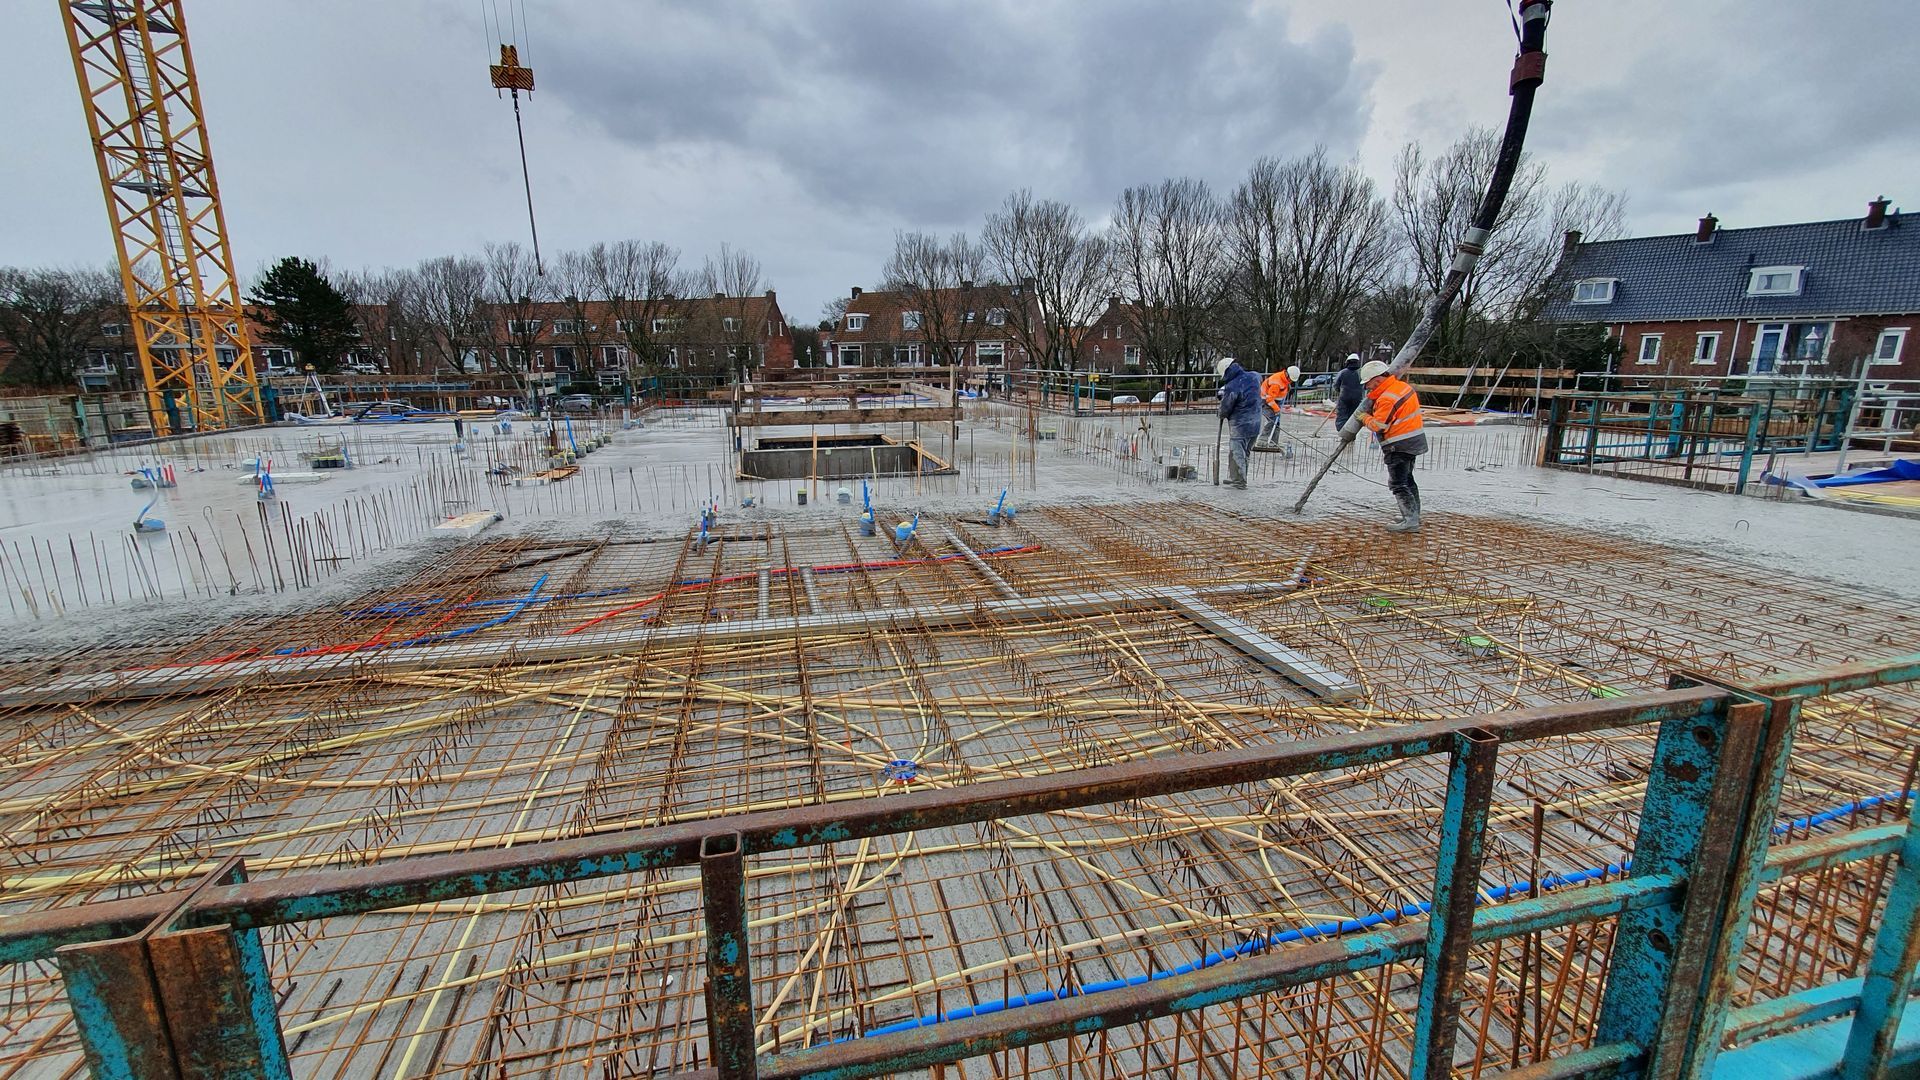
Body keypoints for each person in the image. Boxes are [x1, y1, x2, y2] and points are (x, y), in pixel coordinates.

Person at [1353, 360, 1428, 531]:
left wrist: (1363, 417)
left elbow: (1378, 425)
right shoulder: (1402, 387)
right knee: (1408, 480)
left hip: (1398, 444)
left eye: (1369, 384)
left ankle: (1410, 520)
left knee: (1398, 483)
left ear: (1377, 380)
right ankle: (1413, 515)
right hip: (1413, 440)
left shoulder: (1387, 397)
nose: (1368, 388)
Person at [1214, 356, 1262, 489]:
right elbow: (1257, 381)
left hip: (1240, 425)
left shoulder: (1232, 386)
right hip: (1256, 423)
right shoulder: (1254, 376)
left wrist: (1220, 413)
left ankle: (1240, 482)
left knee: (1237, 453)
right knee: (1245, 452)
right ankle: (1238, 477)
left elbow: (1225, 408)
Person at [1259, 365, 1300, 446]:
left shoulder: (1284, 380)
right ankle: (1262, 441)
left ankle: (1274, 442)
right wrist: (1276, 409)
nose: (1291, 381)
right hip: (1266, 401)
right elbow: (1269, 399)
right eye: (1291, 379)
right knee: (1271, 421)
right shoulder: (1276, 383)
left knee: (1277, 422)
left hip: (1275, 401)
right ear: (1287, 375)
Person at [1334, 353, 1364, 429]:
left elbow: (1336, 385)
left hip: (1344, 397)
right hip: (1357, 397)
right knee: (1353, 417)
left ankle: (1342, 432)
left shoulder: (1342, 372)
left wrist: (1339, 391)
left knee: (1342, 416)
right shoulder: (1361, 373)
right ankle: (1351, 434)